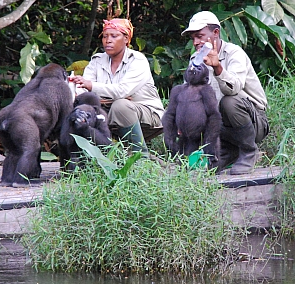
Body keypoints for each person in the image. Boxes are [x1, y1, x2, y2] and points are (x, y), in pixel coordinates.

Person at [182, 11, 269, 175]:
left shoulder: (234, 53)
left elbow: (234, 88)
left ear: (215, 33)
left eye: (200, 36)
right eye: (193, 38)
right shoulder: (196, 59)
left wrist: (217, 67)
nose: (196, 42)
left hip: (253, 122)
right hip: (221, 126)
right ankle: (228, 151)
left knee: (229, 102)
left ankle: (249, 151)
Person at [69, 18, 164, 156]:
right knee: (80, 108)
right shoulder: (97, 61)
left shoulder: (138, 60)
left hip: (148, 116)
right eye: (105, 36)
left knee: (121, 106)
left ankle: (141, 156)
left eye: (114, 36)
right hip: (111, 113)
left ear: (126, 39)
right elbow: (82, 92)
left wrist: (91, 87)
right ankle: (93, 159)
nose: (108, 40)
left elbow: (121, 91)